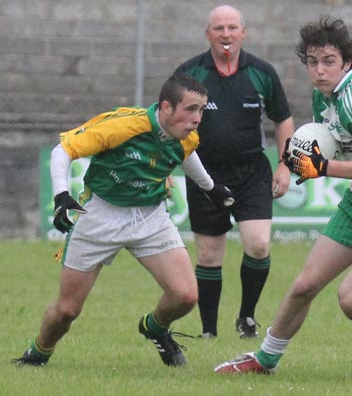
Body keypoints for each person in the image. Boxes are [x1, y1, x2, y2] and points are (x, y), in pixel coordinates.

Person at [215, 15, 352, 377]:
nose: (319, 70)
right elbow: (334, 150)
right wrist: (308, 164)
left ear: (347, 62)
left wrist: (323, 168)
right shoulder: (323, 96)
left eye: (329, 61)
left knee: (351, 298)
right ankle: (265, 360)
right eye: (312, 62)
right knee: (304, 285)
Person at [12, 73, 234, 368]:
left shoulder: (186, 134)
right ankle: (38, 353)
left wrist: (210, 188)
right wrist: (61, 195)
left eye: (202, 110)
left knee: (185, 295)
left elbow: (186, 153)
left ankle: (155, 327)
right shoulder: (124, 125)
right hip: (100, 214)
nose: (197, 118)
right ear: (166, 107)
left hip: (149, 216)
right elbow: (62, 150)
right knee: (67, 310)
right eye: (191, 109)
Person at [175, 5, 294, 339]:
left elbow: (283, 119)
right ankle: (209, 332)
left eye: (231, 28)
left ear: (243, 32)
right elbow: (168, 120)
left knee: (258, 245)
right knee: (209, 254)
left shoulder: (261, 73)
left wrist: (286, 164)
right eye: (218, 29)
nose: (225, 35)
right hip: (204, 174)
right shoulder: (189, 74)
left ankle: (247, 317)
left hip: (251, 171)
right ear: (207, 34)